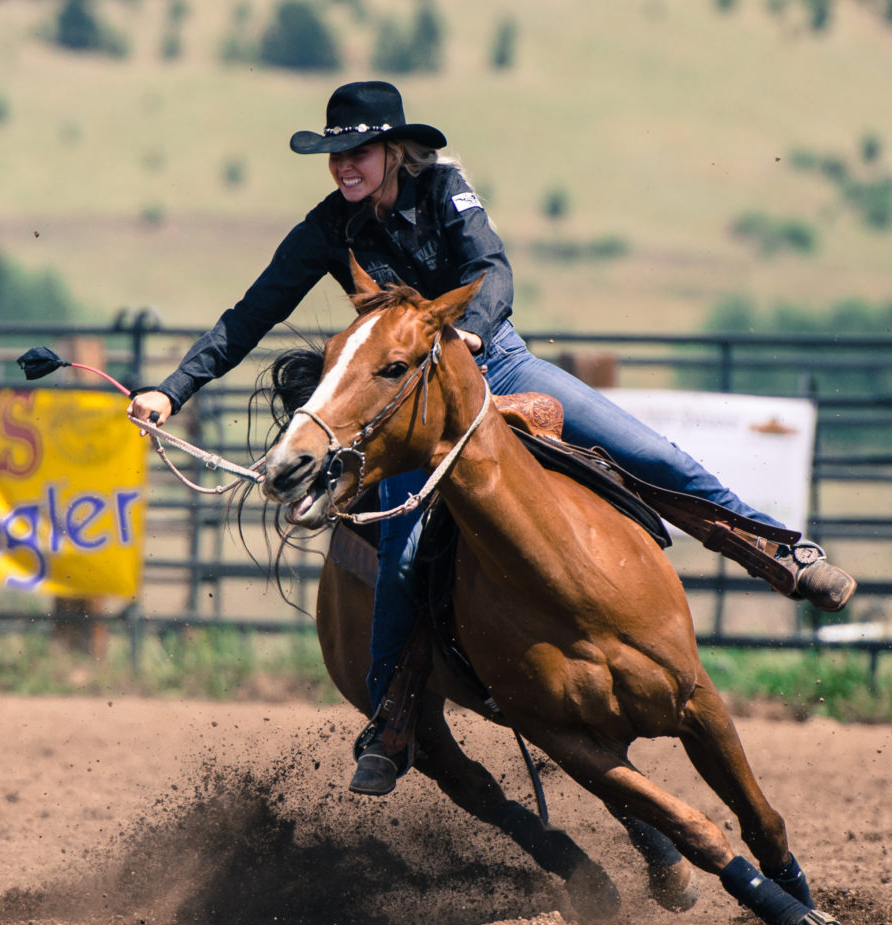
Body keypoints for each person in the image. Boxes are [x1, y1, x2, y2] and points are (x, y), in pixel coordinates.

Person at [128, 81, 856, 796]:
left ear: (392, 149)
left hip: (495, 360)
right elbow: (250, 313)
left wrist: (472, 332)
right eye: (334, 156)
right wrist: (174, 387)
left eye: (357, 152)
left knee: (653, 455)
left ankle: (778, 552)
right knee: (407, 552)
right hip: (416, 406)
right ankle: (392, 716)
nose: (344, 166)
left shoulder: (445, 188)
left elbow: (491, 268)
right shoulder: (329, 227)